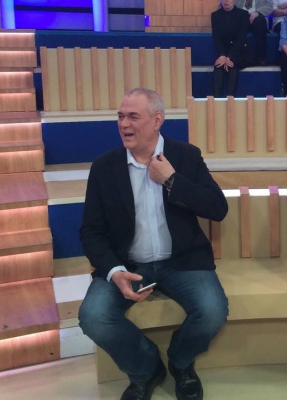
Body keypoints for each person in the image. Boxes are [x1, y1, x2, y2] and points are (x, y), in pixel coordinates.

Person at [78, 88, 229, 400]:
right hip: (128, 265)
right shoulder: (104, 167)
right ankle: (146, 369)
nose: (124, 124)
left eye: (133, 117)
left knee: (213, 311)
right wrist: (114, 271)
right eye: (121, 116)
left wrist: (172, 179)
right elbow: (91, 230)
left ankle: (181, 363)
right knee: (93, 317)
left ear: (157, 120)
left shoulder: (186, 156)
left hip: (183, 262)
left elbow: (218, 208)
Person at [211, 0, 251, 97]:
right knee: (219, 66)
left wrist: (229, 56)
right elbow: (217, 38)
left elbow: (241, 38)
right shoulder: (215, 15)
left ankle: (230, 98)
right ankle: (217, 99)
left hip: (239, 52)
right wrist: (222, 55)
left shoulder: (243, 14)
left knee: (232, 65)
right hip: (223, 52)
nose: (226, 1)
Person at [236, 0, 274, 65]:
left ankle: (260, 57)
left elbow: (270, 6)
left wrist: (258, 12)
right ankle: (238, 56)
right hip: (241, 18)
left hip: (258, 18)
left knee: (260, 20)